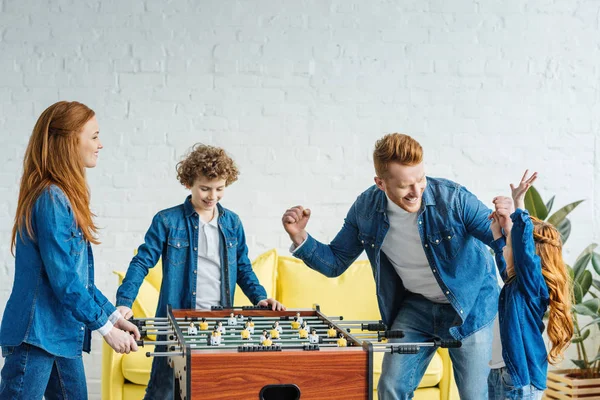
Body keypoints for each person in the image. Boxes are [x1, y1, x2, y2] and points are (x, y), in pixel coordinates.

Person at [281, 133, 502, 399]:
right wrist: (299, 236)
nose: (417, 191)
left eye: (421, 180)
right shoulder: (366, 209)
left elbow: (500, 240)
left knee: (474, 395)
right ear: (381, 183)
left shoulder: (454, 199)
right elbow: (336, 262)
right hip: (417, 307)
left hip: (471, 306)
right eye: (405, 186)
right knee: (390, 387)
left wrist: (513, 222)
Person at [115, 143, 285, 399]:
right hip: (176, 323)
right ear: (189, 183)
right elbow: (142, 261)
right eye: (205, 188)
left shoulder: (232, 223)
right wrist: (124, 302)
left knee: (213, 390)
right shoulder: (167, 220)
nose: (212, 196)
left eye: (219, 189)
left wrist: (259, 297)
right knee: (163, 391)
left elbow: (242, 267)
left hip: (219, 324)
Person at [0, 101, 140, 399]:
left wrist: (113, 317)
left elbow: (80, 283)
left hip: (62, 333)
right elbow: (65, 282)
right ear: (68, 140)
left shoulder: (64, 196)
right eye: (94, 136)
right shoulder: (51, 198)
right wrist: (106, 330)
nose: (100, 144)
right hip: (36, 335)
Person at [487, 171, 573, 399]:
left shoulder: (532, 285)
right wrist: (498, 235)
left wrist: (519, 205)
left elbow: (523, 253)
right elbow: (506, 262)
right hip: (499, 372)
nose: (506, 248)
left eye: (509, 244)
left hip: (519, 379)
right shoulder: (516, 285)